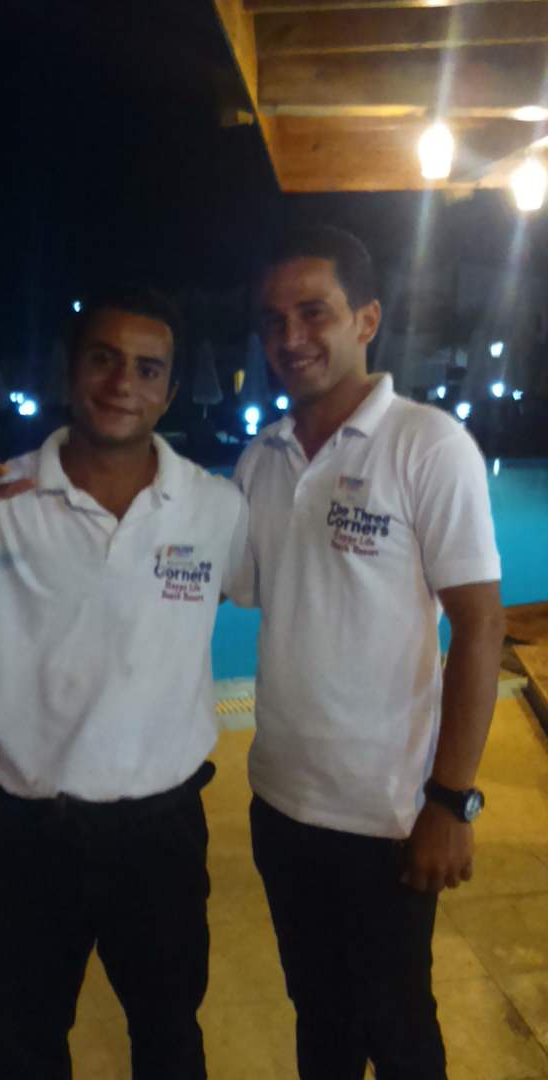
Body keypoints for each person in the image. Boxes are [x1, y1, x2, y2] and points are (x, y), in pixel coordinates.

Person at [0, 285, 247, 1080]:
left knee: (170, 1039)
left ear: (169, 390)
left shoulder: (215, 509)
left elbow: (272, 589)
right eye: (104, 359)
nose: (123, 384)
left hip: (162, 832)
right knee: (23, 1046)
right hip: (31, 833)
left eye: (148, 368)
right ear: (70, 370)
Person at [229, 226, 504, 1079]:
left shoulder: (428, 444)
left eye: (314, 312)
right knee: (320, 1018)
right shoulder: (263, 458)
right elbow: (214, 581)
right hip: (281, 802)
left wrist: (450, 802)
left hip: (387, 817)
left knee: (399, 1027)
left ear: (367, 320)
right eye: (274, 320)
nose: (291, 337)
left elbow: (480, 625)